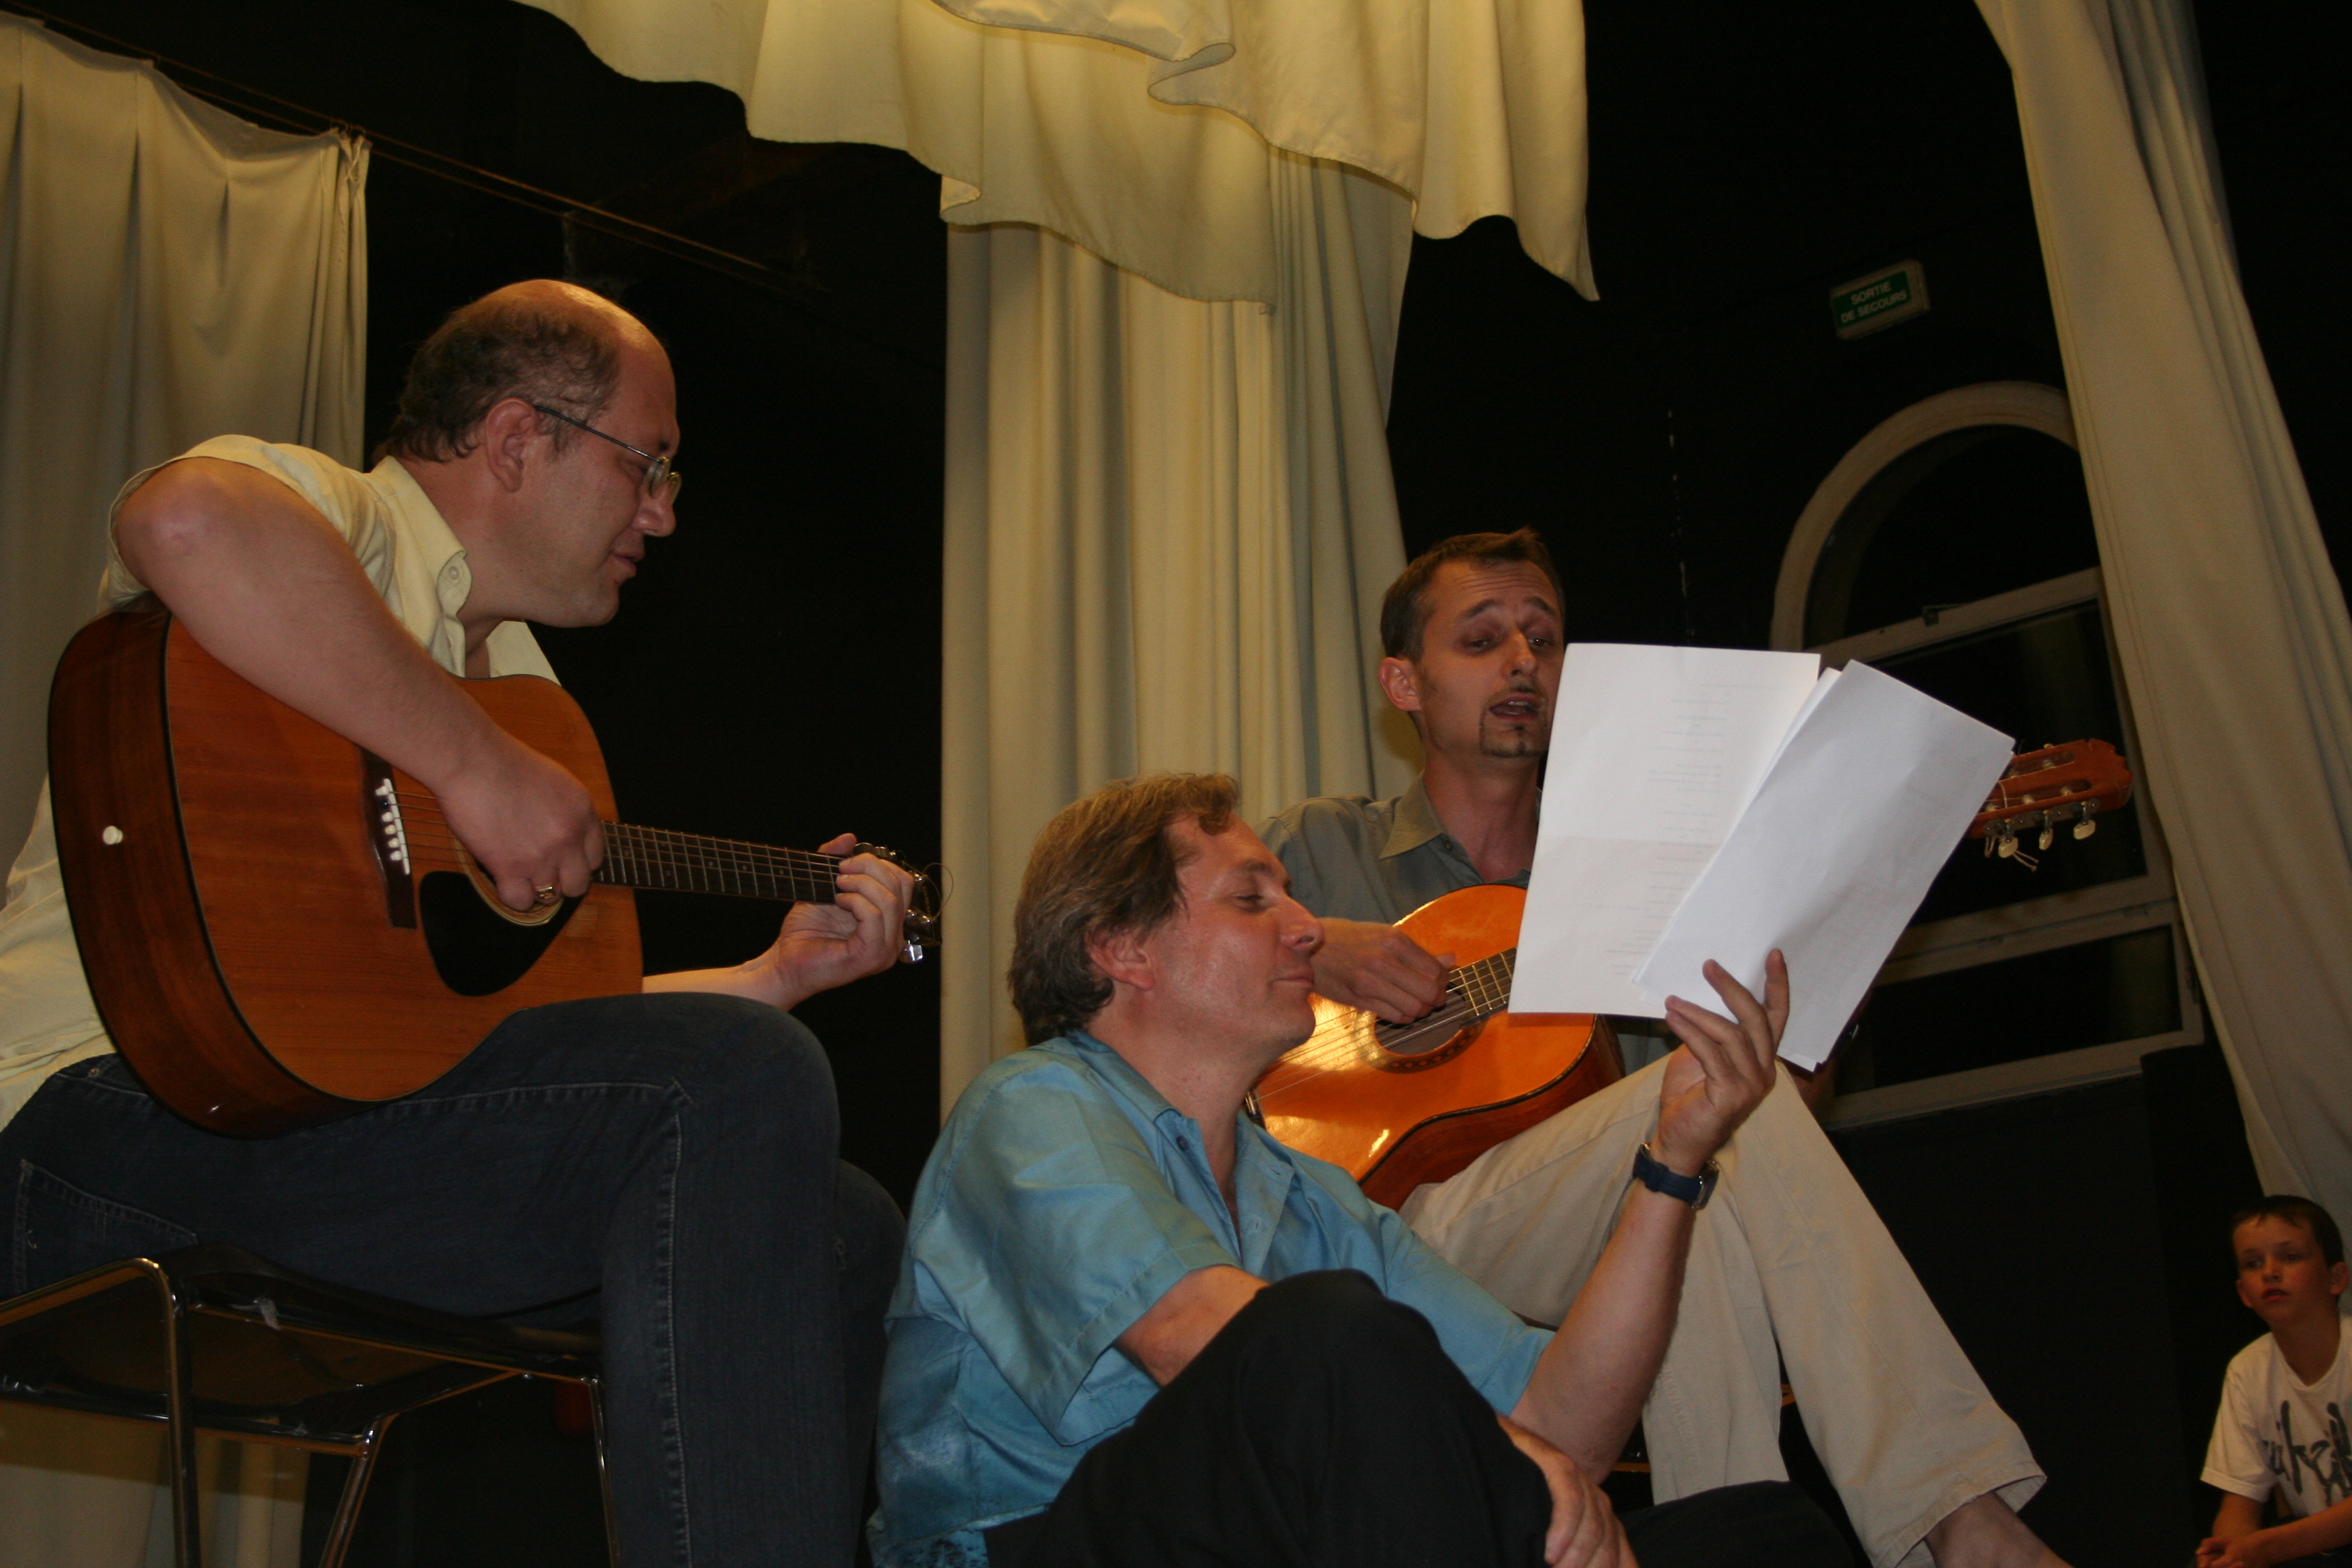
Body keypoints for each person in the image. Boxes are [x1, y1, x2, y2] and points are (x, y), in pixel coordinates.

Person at [0, 281, 907, 1568]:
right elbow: (185, 519)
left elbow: (523, 1051)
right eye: (648, 464)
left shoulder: (525, 694)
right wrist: (472, 764)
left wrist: (771, 975)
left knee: (838, 1224)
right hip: (94, 1131)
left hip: (308, 1136)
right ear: (517, 437)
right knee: (734, 1083)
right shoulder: (349, 523)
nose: (662, 512)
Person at [1260, 527, 2066, 1568]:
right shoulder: (1318, 846)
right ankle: (1961, 1516)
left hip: (1580, 1239)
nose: (1523, 662)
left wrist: (1826, 972)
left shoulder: (1632, 887)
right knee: (1690, 1163)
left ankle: (1737, 1544)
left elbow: (1753, 1125)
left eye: (1545, 638)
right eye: (1483, 639)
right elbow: (1137, 965)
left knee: (1702, 1167)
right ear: (1402, 682)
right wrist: (1319, 947)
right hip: (1360, 1228)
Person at [870, 770, 1855, 1568]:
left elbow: (1564, 1428)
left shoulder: (1306, 1195)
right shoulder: (1033, 1107)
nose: (1306, 926)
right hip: (1032, 1547)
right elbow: (1201, 1339)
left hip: (1281, 1532)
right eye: (1253, 899)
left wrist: (1673, 1162)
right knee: (1326, 1330)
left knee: (1766, 1536)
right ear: (1123, 949)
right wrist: (1510, 1459)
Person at [2198, 1196, 2352, 1568]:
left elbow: (2274, 1546)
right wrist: (2231, 1552)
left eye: (2291, 1257)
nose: (2270, 1272)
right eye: (2253, 1263)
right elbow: (2240, 1504)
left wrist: (2269, 1548)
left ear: (2336, 1278)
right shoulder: (2247, 1370)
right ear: (2243, 1293)